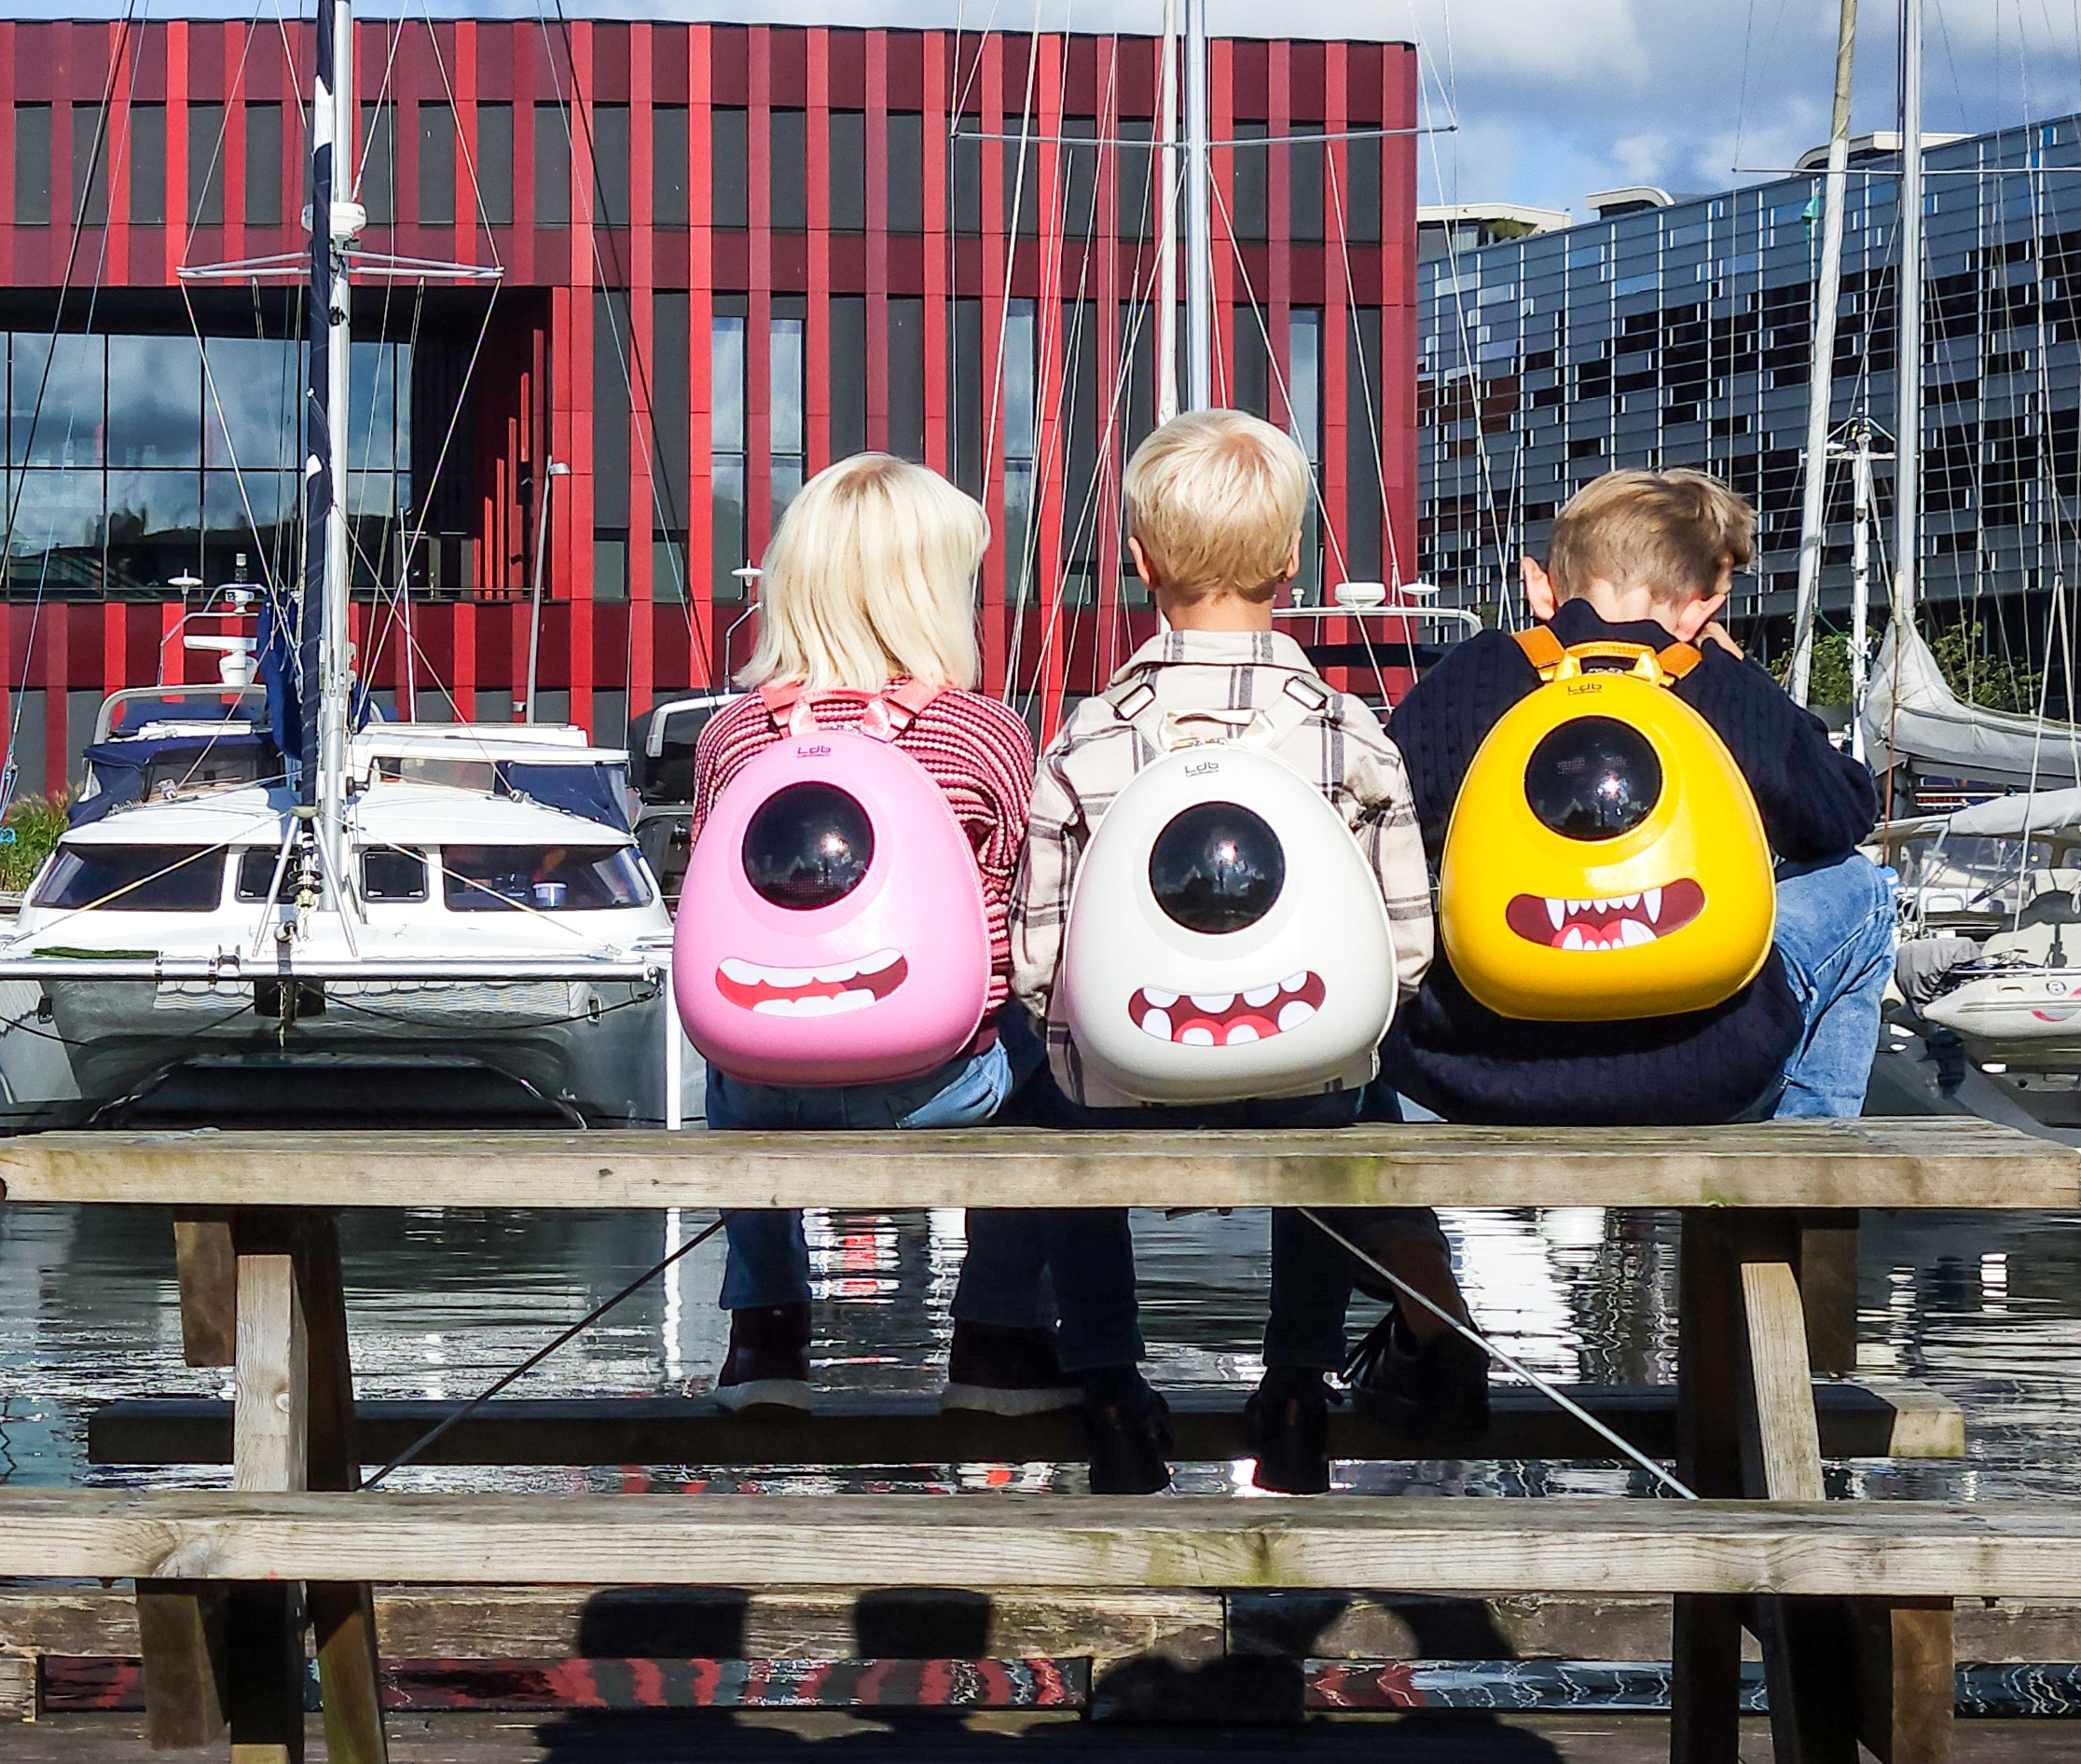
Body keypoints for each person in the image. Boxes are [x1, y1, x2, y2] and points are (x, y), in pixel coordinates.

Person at [1000, 409, 1483, 1495]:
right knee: (1342, 1104)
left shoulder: (1085, 738)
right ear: (1289, 560)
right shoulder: (1349, 733)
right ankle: (1298, 1387)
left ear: (1138, 561)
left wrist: (1097, 1045)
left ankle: (1112, 1389)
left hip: (1123, 1084)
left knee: (1062, 1128)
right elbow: (1407, 946)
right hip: (1304, 1082)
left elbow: (1037, 962)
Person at [1385, 467, 1890, 1131]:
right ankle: (1808, 1155)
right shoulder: (1715, 682)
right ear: (1701, 607)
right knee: (1861, 885)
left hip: (1470, 1068)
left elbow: (1383, 817)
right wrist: (1738, 679)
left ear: (1541, 586)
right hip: (1705, 1067)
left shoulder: (1476, 674)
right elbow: (1841, 814)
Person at [693, 453, 1040, 1415]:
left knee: (730, 1065)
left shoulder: (731, 738)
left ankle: (764, 1335)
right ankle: (999, 1346)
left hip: (762, 1088)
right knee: (1045, 1071)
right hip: (944, 1090)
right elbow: (1006, 940)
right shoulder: (982, 734)